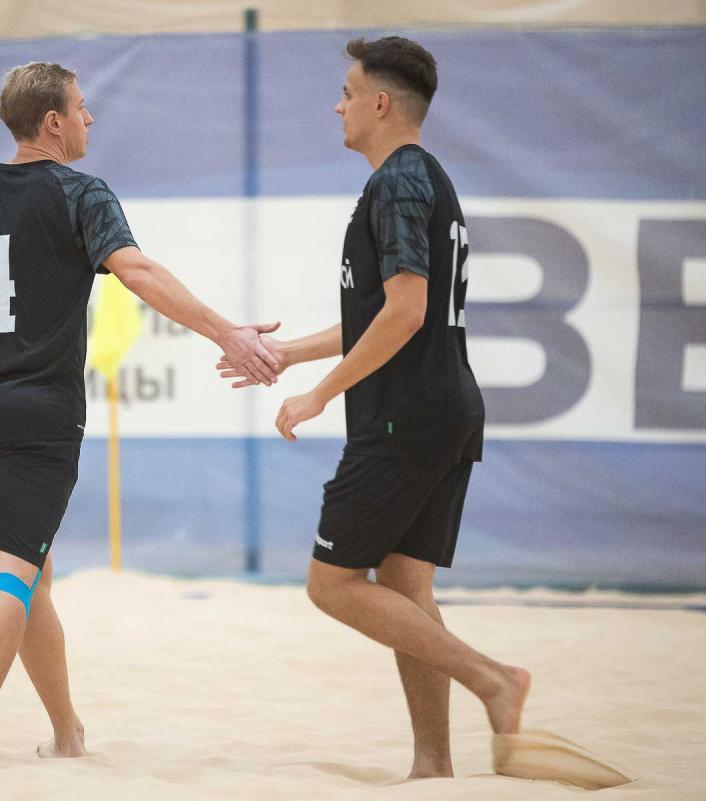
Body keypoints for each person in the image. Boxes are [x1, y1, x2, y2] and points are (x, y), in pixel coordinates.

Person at [0, 61, 280, 766]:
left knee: (29, 568)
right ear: (53, 122)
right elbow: (139, 271)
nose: (89, 118)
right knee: (11, 573)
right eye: (81, 107)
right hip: (41, 414)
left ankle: (67, 731)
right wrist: (226, 332)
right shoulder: (82, 193)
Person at [219, 36, 530, 779]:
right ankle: (433, 764)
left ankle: (495, 680)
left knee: (331, 584)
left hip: (405, 415)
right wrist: (291, 354)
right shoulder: (428, 178)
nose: (338, 106)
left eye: (348, 93)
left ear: (381, 103)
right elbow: (383, 313)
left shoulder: (398, 182)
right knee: (407, 589)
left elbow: (407, 312)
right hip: (445, 408)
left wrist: (321, 393)